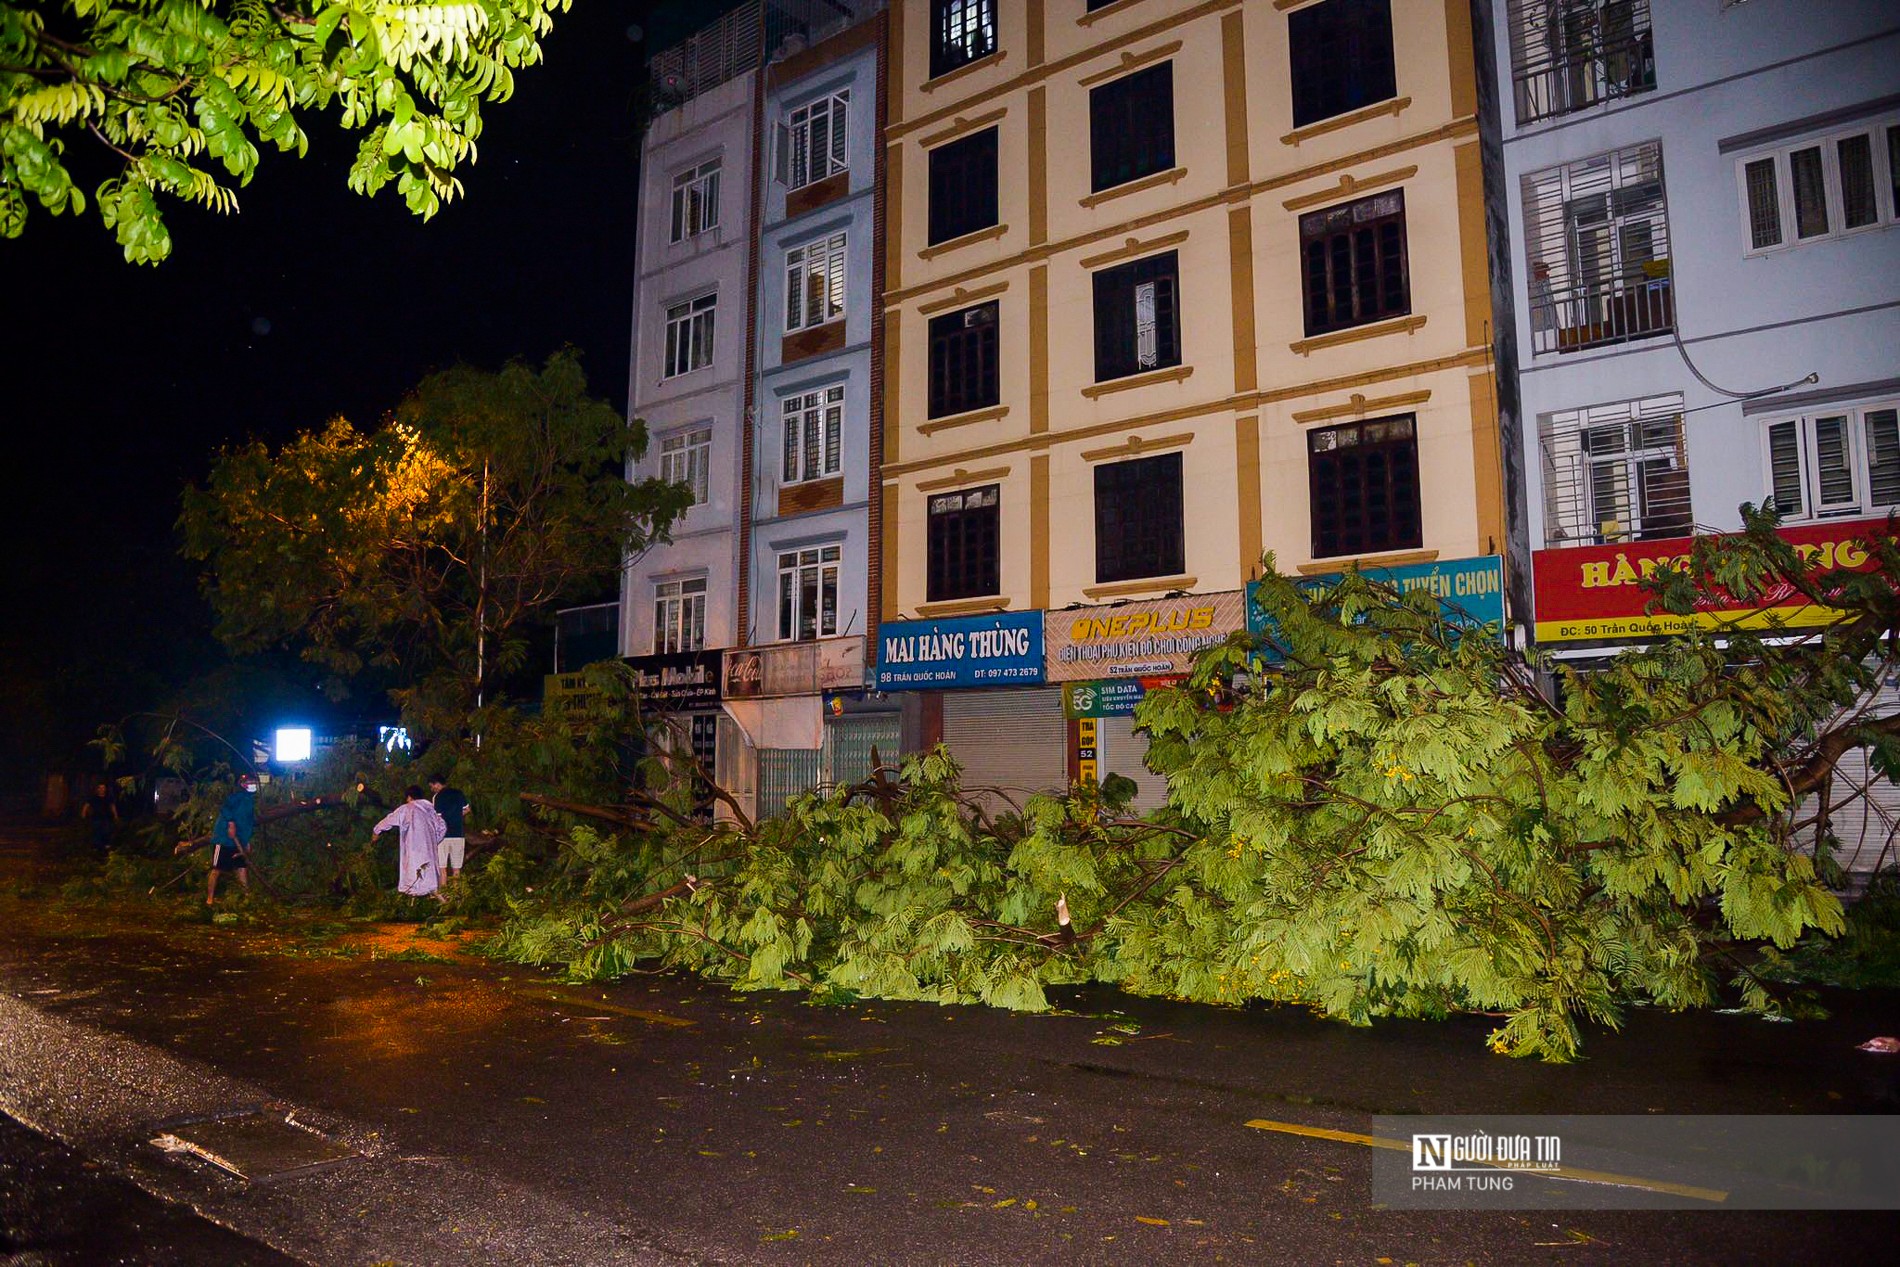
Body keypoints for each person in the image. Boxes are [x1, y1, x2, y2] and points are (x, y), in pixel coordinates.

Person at [372, 786, 446, 898]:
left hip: (413, 850)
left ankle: (440, 903)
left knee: (413, 880)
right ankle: (438, 902)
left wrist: (376, 831)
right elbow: (442, 827)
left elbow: (389, 820)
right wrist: (433, 841)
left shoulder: (407, 809)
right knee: (429, 881)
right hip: (429, 851)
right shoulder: (430, 810)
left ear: (409, 797)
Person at [206, 774, 258, 905]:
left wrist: (246, 842)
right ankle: (209, 899)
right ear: (243, 784)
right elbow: (225, 809)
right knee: (216, 869)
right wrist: (230, 823)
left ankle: (247, 897)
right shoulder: (236, 797)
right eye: (249, 782)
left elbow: (248, 823)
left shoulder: (250, 800)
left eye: (253, 782)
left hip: (239, 840)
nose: (252, 784)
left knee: (241, 867)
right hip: (224, 839)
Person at [428, 774, 469, 887]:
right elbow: (467, 809)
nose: (432, 789)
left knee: (442, 869)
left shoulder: (437, 797)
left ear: (437, 784)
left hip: (443, 837)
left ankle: (444, 897)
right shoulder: (458, 793)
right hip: (458, 834)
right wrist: (457, 816)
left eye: (432, 786)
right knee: (456, 869)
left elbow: (437, 818)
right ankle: (456, 896)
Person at [79, 781, 120, 854]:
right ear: (97, 789)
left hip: (107, 817)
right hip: (96, 817)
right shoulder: (93, 798)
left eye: (103, 788)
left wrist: (115, 815)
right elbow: (86, 805)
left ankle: (107, 845)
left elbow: (112, 806)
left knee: (107, 830)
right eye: (100, 788)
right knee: (97, 831)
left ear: (105, 789)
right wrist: (83, 814)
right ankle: (96, 846)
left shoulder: (108, 797)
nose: (101, 789)